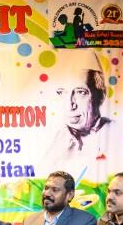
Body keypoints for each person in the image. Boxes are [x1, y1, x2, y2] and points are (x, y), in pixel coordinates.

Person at [42, 50, 114, 180]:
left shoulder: (115, 133)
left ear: (100, 97)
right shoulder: (56, 139)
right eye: (62, 92)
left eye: (80, 92)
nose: (70, 105)